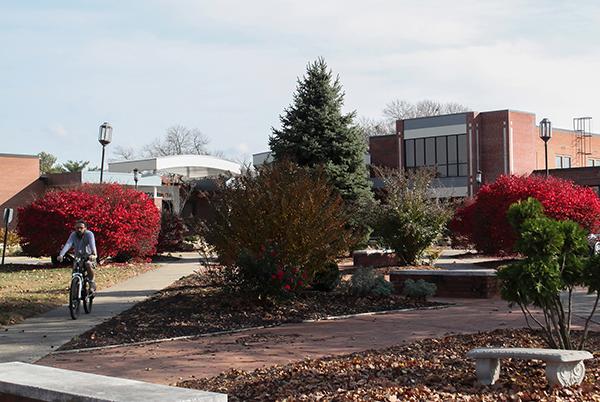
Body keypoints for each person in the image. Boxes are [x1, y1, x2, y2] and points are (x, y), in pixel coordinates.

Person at [57, 220, 98, 293]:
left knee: (88, 264)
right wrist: (61, 255)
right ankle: (74, 288)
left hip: (89, 257)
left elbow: (92, 245)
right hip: (78, 257)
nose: (79, 229)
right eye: (77, 228)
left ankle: (92, 283)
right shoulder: (73, 234)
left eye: (81, 228)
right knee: (75, 269)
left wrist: (94, 254)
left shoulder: (89, 234)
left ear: (85, 228)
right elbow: (68, 244)